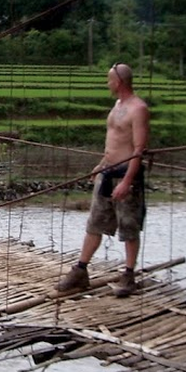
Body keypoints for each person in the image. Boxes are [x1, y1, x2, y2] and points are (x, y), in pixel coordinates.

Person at [55, 62, 151, 298]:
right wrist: (101, 164)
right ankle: (80, 270)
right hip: (108, 172)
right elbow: (114, 142)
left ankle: (128, 275)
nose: (107, 84)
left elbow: (138, 148)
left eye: (109, 80)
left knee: (129, 227)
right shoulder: (117, 105)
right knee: (94, 223)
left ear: (118, 82)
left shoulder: (138, 109)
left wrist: (127, 181)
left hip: (126, 175)